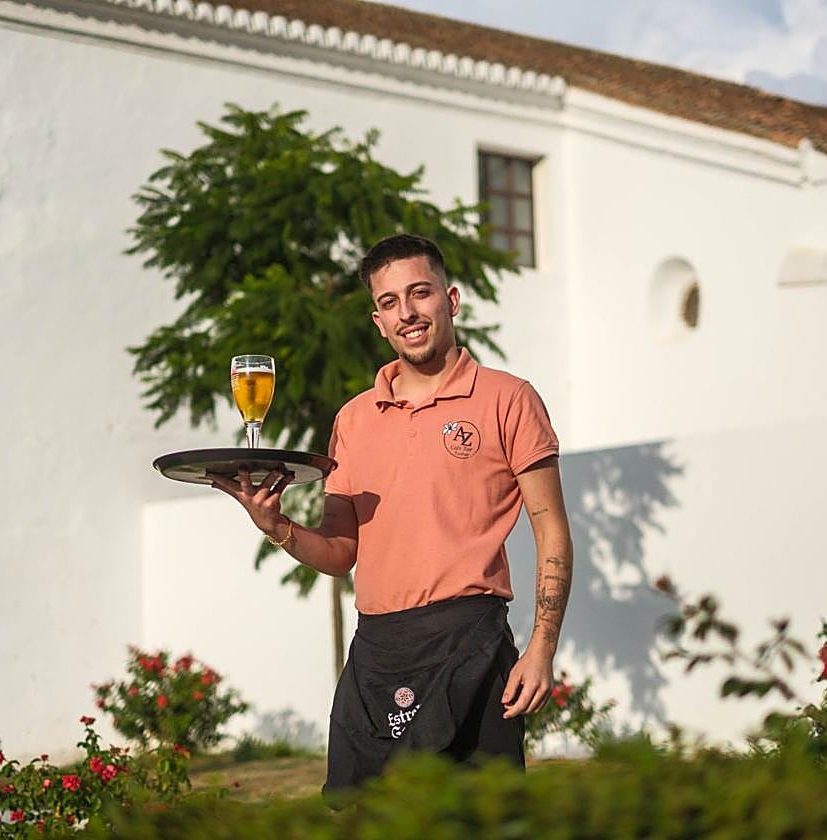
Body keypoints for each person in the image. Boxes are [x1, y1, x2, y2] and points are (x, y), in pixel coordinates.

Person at [209, 233, 572, 793]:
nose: (407, 313)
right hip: (377, 653)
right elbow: (339, 553)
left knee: (478, 822)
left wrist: (542, 647)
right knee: (365, 820)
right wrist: (277, 526)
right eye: (389, 302)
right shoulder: (354, 419)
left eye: (420, 293)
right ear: (378, 321)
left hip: (470, 645)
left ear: (451, 300)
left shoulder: (508, 398)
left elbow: (551, 529)